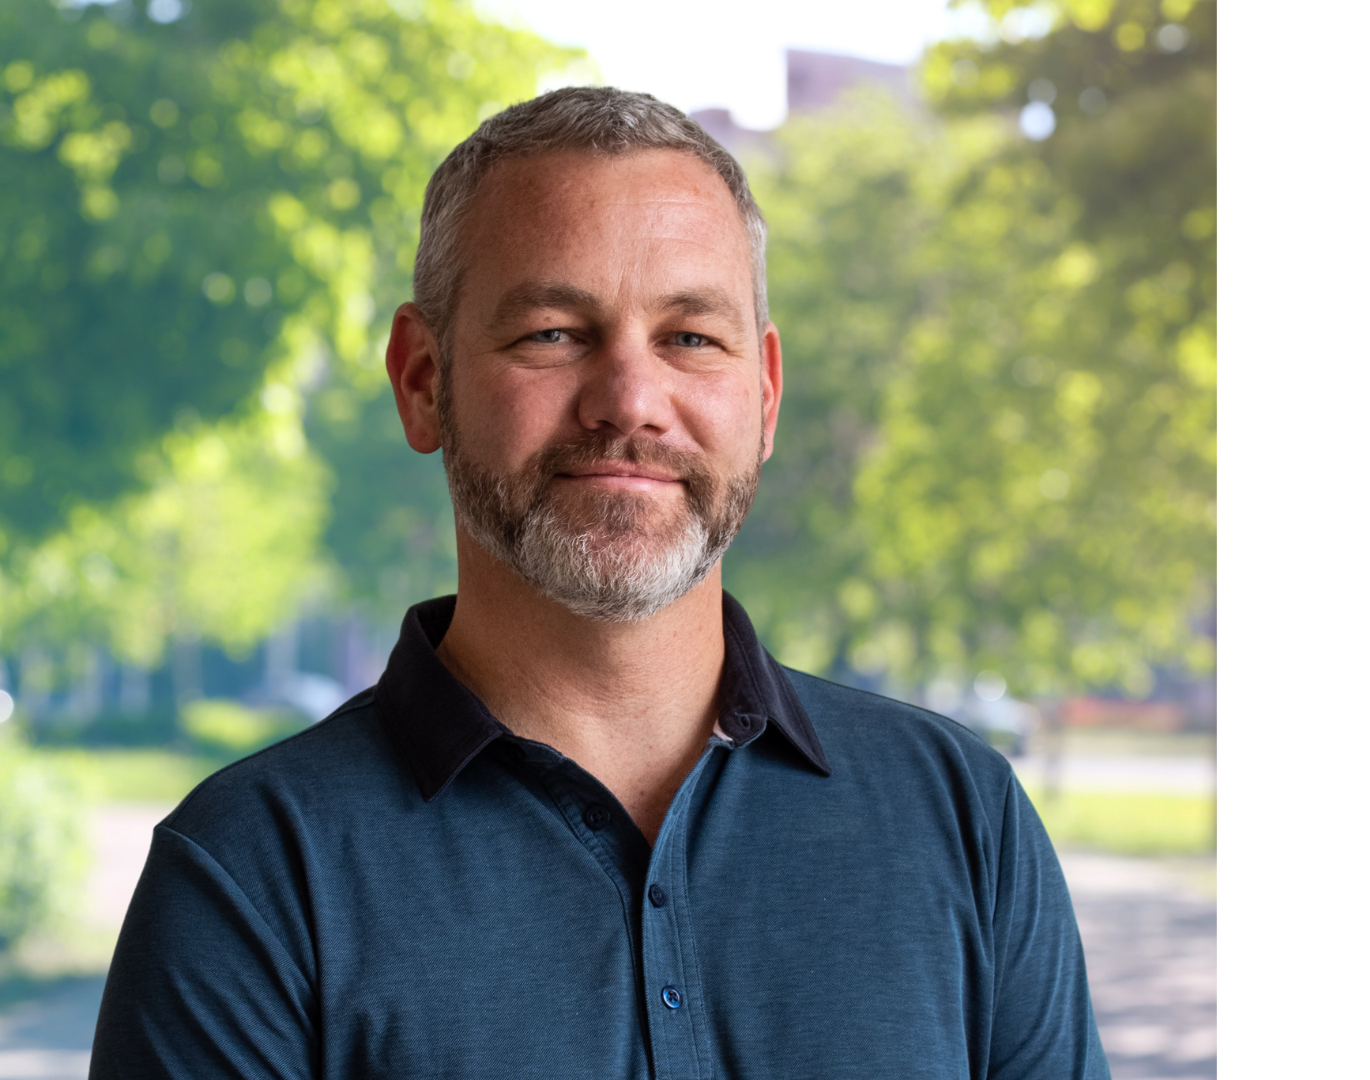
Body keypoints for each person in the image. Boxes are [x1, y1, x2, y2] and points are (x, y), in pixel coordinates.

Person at [89, 87, 1109, 1080]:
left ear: (762, 393)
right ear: (421, 381)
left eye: (689, 339)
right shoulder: (253, 875)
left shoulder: (960, 815)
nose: (629, 400)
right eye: (552, 335)